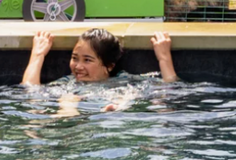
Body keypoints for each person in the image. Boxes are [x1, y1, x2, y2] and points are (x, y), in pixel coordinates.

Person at [21, 29, 178, 113]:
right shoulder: (69, 82)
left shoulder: (122, 80)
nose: (78, 66)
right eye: (74, 58)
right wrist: (38, 54)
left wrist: (164, 58)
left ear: (109, 66)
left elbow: (169, 88)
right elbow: (29, 90)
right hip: (88, 112)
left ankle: (116, 108)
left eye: (87, 60)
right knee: (68, 96)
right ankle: (68, 112)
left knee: (127, 94)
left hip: (111, 107)